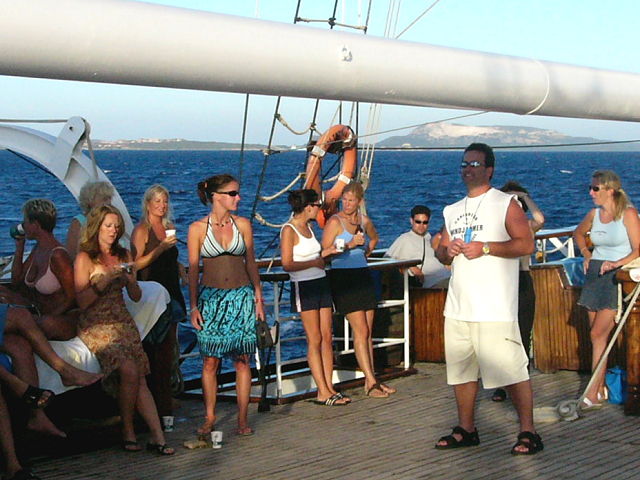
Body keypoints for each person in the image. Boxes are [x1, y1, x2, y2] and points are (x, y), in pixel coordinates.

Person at [434, 143, 543, 455]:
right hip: (459, 306)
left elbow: (525, 244)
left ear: (489, 170)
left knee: (512, 370)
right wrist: (447, 250)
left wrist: (486, 247)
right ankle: (466, 428)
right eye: (464, 164)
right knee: (461, 371)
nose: (468, 169)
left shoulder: (505, 204)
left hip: (494, 307)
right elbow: (440, 252)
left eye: (475, 164)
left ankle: (528, 432)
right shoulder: (452, 210)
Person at [74, 205, 173, 455]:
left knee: (139, 374)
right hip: (96, 322)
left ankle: (158, 437)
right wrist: (106, 279)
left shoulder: (123, 254)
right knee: (130, 369)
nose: (113, 231)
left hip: (121, 319)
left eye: (116, 227)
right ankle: (128, 429)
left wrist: (131, 281)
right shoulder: (85, 258)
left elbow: (136, 296)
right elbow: (82, 302)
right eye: (108, 226)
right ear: (97, 227)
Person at [188, 174, 264, 436]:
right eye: (233, 193)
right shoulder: (197, 229)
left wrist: (258, 299)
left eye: (237, 193)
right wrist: (194, 306)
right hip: (211, 300)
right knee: (210, 361)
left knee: (242, 360)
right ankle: (210, 417)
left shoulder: (243, 225)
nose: (238, 198)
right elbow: (193, 270)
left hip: (241, 298)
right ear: (216, 196)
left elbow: (251, 263)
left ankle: (242, 419)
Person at [574, 170, 640, 409]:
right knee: (596, 336)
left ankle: (592, 393)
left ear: (610, 190)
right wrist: (586, 253)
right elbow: (578, 233)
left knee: (597, 334)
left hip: (616, 276)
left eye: (595, 189)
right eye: (590, 188)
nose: (591, 193)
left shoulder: (628, 214)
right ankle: (599, 390)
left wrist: (616, 263)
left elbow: (638, 248)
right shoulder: (594, 214)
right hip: (595, 274)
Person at [321, 182, 394, 398]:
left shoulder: (364, 221)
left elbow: (375, 237)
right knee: (360, 330)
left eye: (351, 200)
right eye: (344, 199)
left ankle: (372, 379)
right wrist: (350, 245)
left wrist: (367, 251)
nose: (346, 204)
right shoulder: (335, 222)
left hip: (362, 275)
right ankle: (370, 382)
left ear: (359, 202)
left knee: (367, 332)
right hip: (344, 278)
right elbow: (324, 251)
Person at [280, 189, 348, 406]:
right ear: (308, 207)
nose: (319, 209)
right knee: (315, 338)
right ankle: (322, 391)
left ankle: (329, 387)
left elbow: (314, 255)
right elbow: (287, 263)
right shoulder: (289, 230)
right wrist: (314, 263)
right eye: (317, 205)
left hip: (320, 281)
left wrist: (327, 253)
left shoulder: (308, 228)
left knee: (327, 336)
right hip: (304, 285)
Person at [131, 184, 186, 418]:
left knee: (169, 349)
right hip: (152, 295)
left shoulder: (169, 228)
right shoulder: (142, 230)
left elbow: (170, 258)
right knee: (154, 349)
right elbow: (135, 264)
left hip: (172, 292)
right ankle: (157, 402)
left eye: (164, 201)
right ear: (148, 204)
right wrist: (161, 248)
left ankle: (165, 397)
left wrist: (180, 268)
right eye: (157, 201)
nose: (162, 206)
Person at [491, 181, 545, 403]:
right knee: (501, 335)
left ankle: (520, 380)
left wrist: (524, 197)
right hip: (501, 281)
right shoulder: (497, 228)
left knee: (522, 333)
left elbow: (540, 219)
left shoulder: (526, 228)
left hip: (521, 280)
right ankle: (501, 384)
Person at [1, 199, 77, 340]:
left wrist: (46, 316)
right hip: (37, 310)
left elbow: (72, 297)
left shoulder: (58, 255)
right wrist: (20, 246)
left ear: (35, 225)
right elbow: (16, 280)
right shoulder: (38, 248)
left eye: (25, 222)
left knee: (43, 324)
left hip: (59, 317)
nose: (23, 226)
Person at [384, 205, 450, 288]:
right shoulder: (404, 239)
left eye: (425, 222)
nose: (421, 226)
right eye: (418, 222)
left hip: (448, 276)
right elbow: (386, 261)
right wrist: (409, 266)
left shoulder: (430, 238)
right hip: (434, 283)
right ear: (411, 221)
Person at [66, 181, 115, 261]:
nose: (108, 202)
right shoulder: (79, 222)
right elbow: (71, 254)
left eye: (109, 198)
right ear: (90, 201)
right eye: (104, 198)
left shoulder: (113, 222)